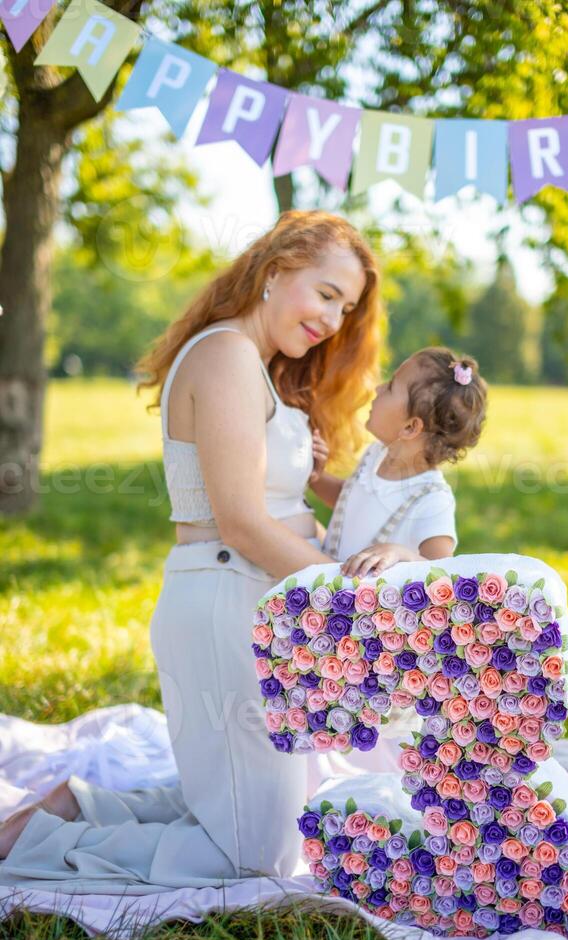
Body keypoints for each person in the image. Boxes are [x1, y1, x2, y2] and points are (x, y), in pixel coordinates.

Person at [0, 209, 383, 891]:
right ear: (275, 271)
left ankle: (78, 805)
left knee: (260, 813)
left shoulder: (255, 367)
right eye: (326, 293)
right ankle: (39, 839)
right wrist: (357, 593)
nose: (333, 319)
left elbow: (279, 495)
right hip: (222, 603)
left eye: (345, 308)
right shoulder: (226, 353)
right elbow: (240, 523)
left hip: (256, 605)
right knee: (252, 859)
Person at [311, 348, 488, 577]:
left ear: (410, 427)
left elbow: (442, 574)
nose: (378, 388)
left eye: (391, 386)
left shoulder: (432, 500)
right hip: (325, 597)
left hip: (370, 610)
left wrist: (401, 554)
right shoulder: (375, 455)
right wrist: (316, 476)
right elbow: (350, 503)